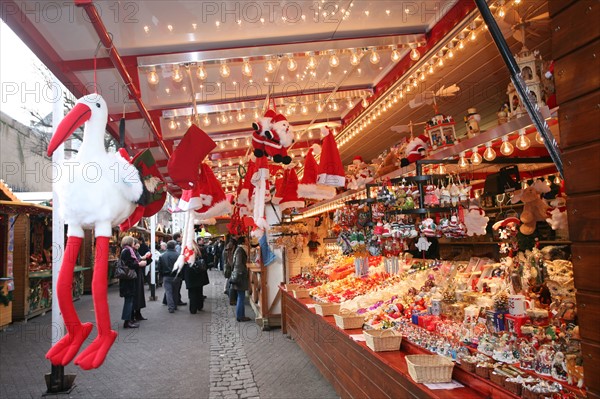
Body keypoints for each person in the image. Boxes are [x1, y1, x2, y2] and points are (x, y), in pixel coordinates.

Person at [119, 236, 147, 328]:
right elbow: (129, 264)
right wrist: (139, 264)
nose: (135, 244)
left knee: (130, 300)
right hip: (128, 280)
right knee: (129, 300)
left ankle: (129, 319)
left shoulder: (126, 250)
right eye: (133, 242)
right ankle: (127, 321)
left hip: (127, 280)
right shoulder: (127, 251)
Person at [183, 242, 210, 314]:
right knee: (199, 291)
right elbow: (206, 261)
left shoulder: (185, 252)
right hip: (199, 273)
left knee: (192, 292)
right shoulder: (199, 251)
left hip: (190, 274)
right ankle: (200, 306)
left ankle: (193, 309)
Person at [231, 236, 251, 322]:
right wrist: (244, 271)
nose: (247, 241)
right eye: (246, 240)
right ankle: (240, 316)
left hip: (239, 275)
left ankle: (241, 315)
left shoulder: (239, 249)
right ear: (243, 242)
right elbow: (239, 264)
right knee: (241, 297)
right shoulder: (240, 250)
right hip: (240, 276)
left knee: (241, 296)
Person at [158, 240, 181, 313]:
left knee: (168, 292)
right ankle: (175, 305)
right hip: (176, 275)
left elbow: (159, 267)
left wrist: (162, 275)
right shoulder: (178, 255)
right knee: (175, 291)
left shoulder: (162, 256)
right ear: (174, 246)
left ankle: (171, 307)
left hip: (166, 276)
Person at [132, 238, 150, 321]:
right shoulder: (129, 251)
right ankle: (132, 316)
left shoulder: (135, 252)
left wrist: (147, 259)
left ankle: (137, 314)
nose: (138, 244)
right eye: (136, 243)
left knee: (139, 296)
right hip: (133, 277)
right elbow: (131, 264)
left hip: (137, 276)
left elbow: (139, 260)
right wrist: (139, 264)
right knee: (134, 297)